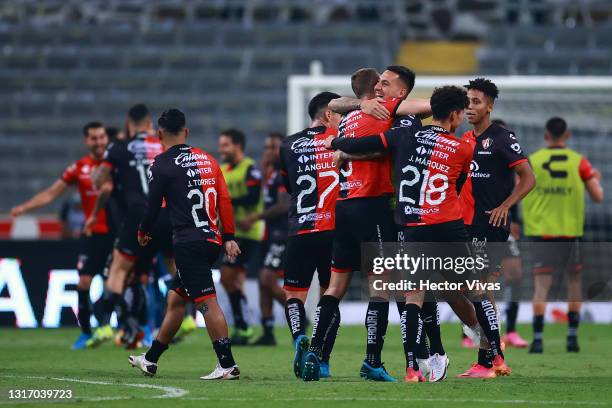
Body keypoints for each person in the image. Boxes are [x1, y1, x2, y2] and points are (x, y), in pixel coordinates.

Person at [325, 85, 504, 383]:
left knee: (413, 296)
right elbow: (457, 185)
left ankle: (412, 369)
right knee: (475, 289)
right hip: (447, 226)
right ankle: (495, 354)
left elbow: (366, 144)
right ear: (456, 114)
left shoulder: (403, 136)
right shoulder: (463, 147)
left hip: (411, 226)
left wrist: (338, 145)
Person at [325, 66, 438, 382]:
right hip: (384, 210)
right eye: (377, 83)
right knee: (402, 287)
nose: (379, 88)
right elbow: (335, 104)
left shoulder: (400, 115)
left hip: (406, 211)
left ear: (400, 93)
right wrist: (361, 105)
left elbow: (427, 108)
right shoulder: (373, 112)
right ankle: (416, 357)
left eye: (385, 84)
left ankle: (429, 352)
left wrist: (344, 151)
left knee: (411, 288)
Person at [129, 108, 241, 379]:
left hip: (188, 241)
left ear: (158, 135)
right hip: (212, 238)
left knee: (206, 302)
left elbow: (153, 206)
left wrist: (143, 230)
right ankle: (151, 358)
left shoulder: (162, 164)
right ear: (186, 132)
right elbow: (224, 200)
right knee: (177, 299)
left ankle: (227, 365)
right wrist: (228, 237)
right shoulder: (208, 159)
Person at [10, 122, 114, 350]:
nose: (98, 142)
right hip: (92, 234)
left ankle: (128, 328)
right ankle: (87, 333)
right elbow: (50, 194)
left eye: (101, 137)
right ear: (86, 141)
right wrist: (24, 208)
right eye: (93, 138)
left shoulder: (116, 163)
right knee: (83, 284)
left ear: (106, 138)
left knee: (118, 283)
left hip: (116, 234)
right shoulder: (80, 167)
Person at [457, 78, 536, 378]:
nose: (470, 107)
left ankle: (495, 357)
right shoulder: (466, 140)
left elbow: (528, 178)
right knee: (479, 290)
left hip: (490, 225)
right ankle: (487, 360)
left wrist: (506, 205)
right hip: (469, 225)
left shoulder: (502, 137)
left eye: (476, 102)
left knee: (478, 289)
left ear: (489, 105)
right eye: (467, 102)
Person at [91, 104, 173, 348]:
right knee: (168, 271)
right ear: (150, 124)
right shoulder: (162, 145)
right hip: (167, 213)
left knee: (118, 270)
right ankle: (188, 315)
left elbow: (99, 180)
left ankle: (106, 320)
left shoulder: (118, 147)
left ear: (129, 123)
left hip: (138, 214)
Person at [523, 117, 603, 354]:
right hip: (569, 232)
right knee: (574, 284)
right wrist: (595, 180)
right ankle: (572, 337)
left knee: (541, 287)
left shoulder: (533, 161)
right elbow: (598, 197)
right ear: (567, 136)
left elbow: (519, 188)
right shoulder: (580, 163)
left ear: (546, 136)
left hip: (541, 233)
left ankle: (537, 339)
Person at [280, 92, 342, 380]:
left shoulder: (288, 144)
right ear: (329, 114)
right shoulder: (340, 140)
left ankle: (297, 337)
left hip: (300, 228)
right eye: (340, 112)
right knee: (332, 294)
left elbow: (290, 185)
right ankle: (322, 360)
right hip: (333, 229)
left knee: (294, 294)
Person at [239, 132, 290, 346]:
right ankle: (268, 332)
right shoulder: (269, 174)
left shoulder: (284, 173)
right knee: (262, 282)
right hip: (268, 234)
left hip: (283, 233)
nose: (269, 151)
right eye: (267, 147)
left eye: (274, 147)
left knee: (268, 278)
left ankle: (296, 313)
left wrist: (255, 217)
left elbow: (284, 205)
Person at [218, 128, 265, 344]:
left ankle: (244, 324)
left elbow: (252, 197)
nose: (221, 149)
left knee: (228, 276)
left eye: (225, 145)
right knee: (233, 281)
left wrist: (225, 203)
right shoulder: (222, 170)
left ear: (238, 145)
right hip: (229, 233)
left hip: (248, 233)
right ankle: (243, 326)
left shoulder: (250, 169)